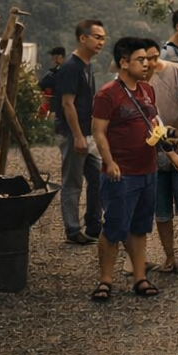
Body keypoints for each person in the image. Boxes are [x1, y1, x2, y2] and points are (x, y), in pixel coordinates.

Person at [90, 37, 165, 301]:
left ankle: (140, 277)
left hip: (148, 169)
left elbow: (152, 119)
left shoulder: (147, 90)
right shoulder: (107, 94)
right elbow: (98, 131)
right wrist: (109, 162)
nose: (146, 64)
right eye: (140, 60)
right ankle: (105, 280)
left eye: (147, 59)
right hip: (122, 171)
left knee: (140, 226)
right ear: (123, 62)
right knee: (114, 226)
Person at [55, 19, 107, 245]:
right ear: (83, 38)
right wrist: (77, 136)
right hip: (72, 133)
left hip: (87, 132)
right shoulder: (71, 67)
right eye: (97, 37)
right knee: (72, 182)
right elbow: (68, 104)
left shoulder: (88, 66)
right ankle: (72, 229)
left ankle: (94, 224)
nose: (101, 42)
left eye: (103, 38)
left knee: (98, 178)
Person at [145, 40, 178, 272]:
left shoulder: (175, 70)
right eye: (147, 59)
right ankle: (169, 255)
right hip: (155, 149)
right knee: (162, 209)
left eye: (155, 57)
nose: (152, 62)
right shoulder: (140, 81)